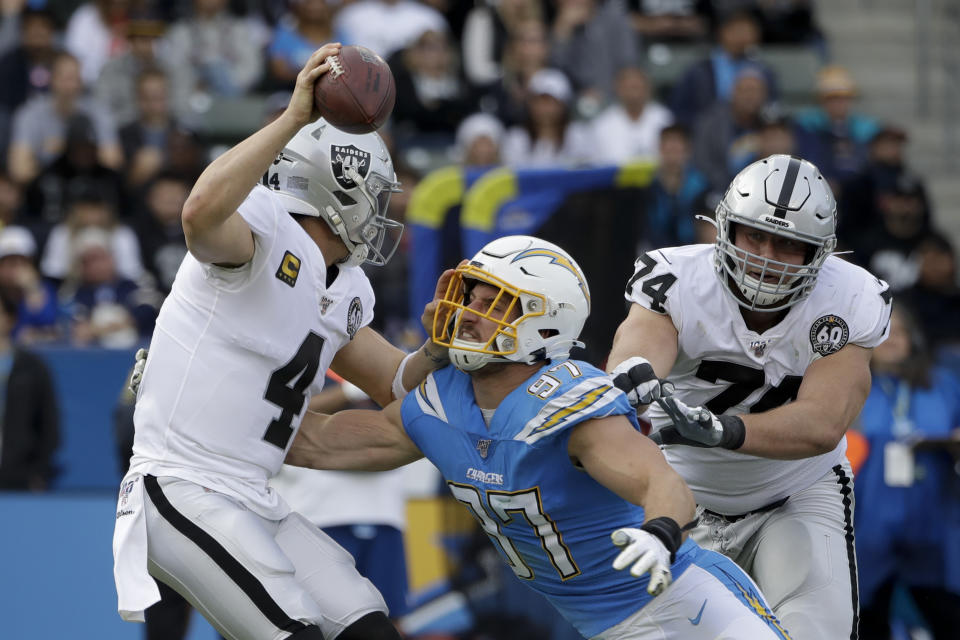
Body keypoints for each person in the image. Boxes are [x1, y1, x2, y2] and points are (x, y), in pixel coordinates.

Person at [287, 234, 794, 640]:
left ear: (546, 325)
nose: (468, 313)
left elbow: (662, 484)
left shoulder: (567, 403)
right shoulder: (437, 403)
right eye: (471, 299)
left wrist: (661, 533)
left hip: (688, 601)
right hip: (602, 627)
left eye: (495, 304)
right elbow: (317, 441)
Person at [111, 43, 452, 640]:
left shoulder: (344, 287)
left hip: (255, 497)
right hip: (183, 485)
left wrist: (440, 351)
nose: (381, 210)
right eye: (375, 194)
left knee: (368, 627)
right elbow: (198, 215)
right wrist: (295, 116)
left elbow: (396, 383)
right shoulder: (263, 230)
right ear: (339, 190)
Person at [606, 154, 893, 640]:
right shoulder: (676, 277)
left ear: (818, 253)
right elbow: (638, 348)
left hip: (794, 491)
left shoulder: (850, 298)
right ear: (725, 228)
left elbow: (824, 422)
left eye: (786, 244)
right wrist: (631, 377)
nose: (764, 256)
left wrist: (725, 431)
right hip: (676, 493)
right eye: (754, 236)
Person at [853, 304, 960, 639]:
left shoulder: (942, 384)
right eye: (883, 332)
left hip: (931, 520)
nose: (892, 339)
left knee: (947, 615)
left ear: (913, 339)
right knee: (867, 618)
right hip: (868, 522)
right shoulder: (850, 387)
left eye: (899, 331)